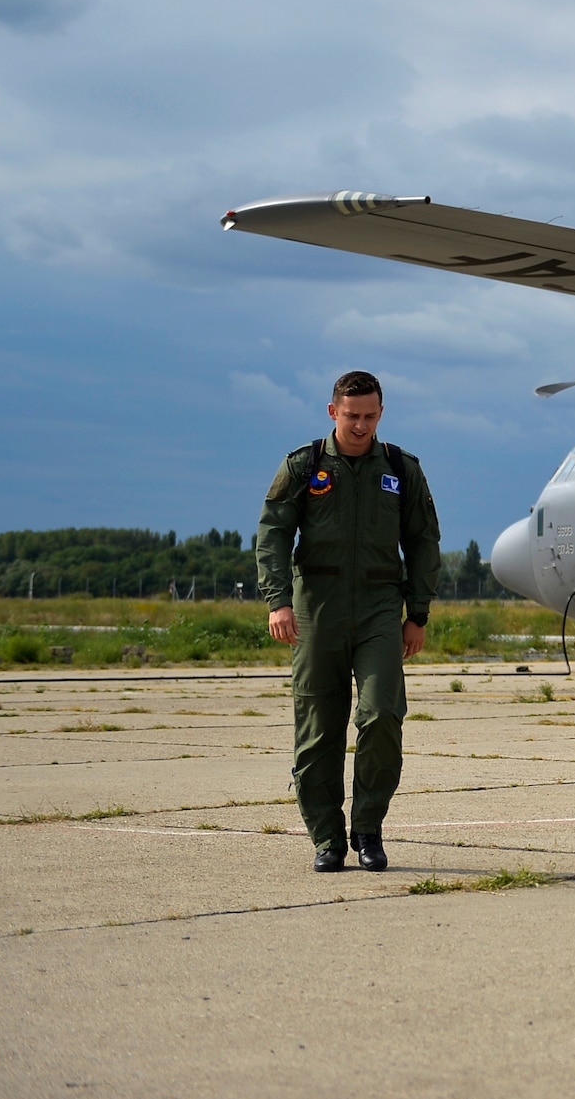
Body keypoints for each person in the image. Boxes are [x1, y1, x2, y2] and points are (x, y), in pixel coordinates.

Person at [257, 371, 440, 873]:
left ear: (381, 413)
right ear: (332, 411)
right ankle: (326, 838)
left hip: (381, 607)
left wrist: (417, 613)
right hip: (317, 608)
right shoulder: (303, 466)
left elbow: (423, 542)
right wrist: (278, 601)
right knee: (318, 729)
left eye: (370, 416)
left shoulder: (401, 469)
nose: (360, 426)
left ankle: (368, 830)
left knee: (381, 715)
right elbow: (273, 532)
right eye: (351, 415)